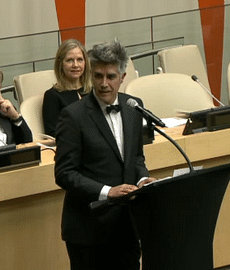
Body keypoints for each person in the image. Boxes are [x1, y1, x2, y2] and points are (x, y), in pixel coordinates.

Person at [54, 40, 156, 270]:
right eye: (98, 76)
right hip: (88, 230)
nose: (103, 84)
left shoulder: (133, 107)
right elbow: (64, 173)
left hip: (127, 227)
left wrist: (142, 179)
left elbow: (136, 158)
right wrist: (108, 192)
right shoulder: (73, 116)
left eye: (111, 77)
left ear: (123, 76)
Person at [42, 39, 92, 137]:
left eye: (80, 60)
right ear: (60, 64)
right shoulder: (52, 96)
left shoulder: (93, 90)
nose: (76, 65)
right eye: (70, 60)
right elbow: (53, 133)